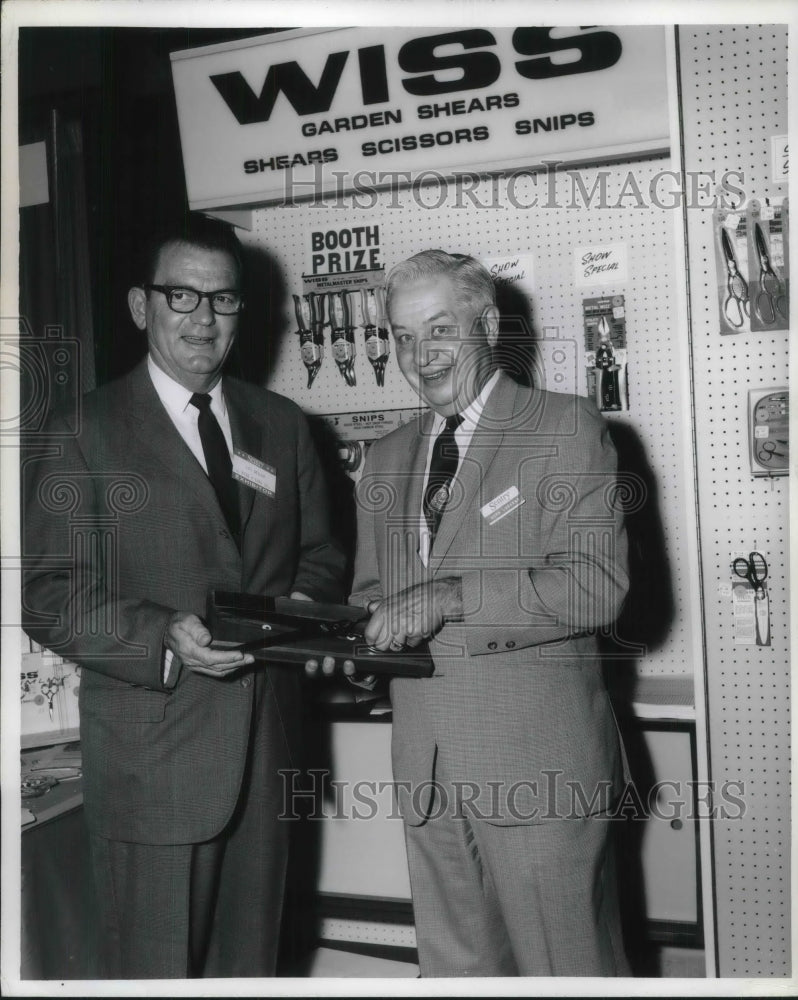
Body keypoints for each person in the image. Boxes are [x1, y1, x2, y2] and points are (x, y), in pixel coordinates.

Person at [21, 216, 344, 978]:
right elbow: (48, 591)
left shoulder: (283, 426)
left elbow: (324, 557)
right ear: (142, 306)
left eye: (223, 300)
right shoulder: (84, 431)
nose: (202, 317)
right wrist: (161, 634)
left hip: (268, 755)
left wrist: (296, 607)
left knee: (252, 970)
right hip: (152, 763)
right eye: (181, 295)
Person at [318, 249, 631, 976]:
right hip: (429, 773)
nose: (419, 355)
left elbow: (596, 585)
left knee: (569, 974)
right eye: (401, 336)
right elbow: (375, 598)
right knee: (456, 977)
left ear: (487, 325)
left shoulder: (564, 426)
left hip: (539, 772)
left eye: (439, 331)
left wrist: (450, 595)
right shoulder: (387, 458)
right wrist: (354, 651)